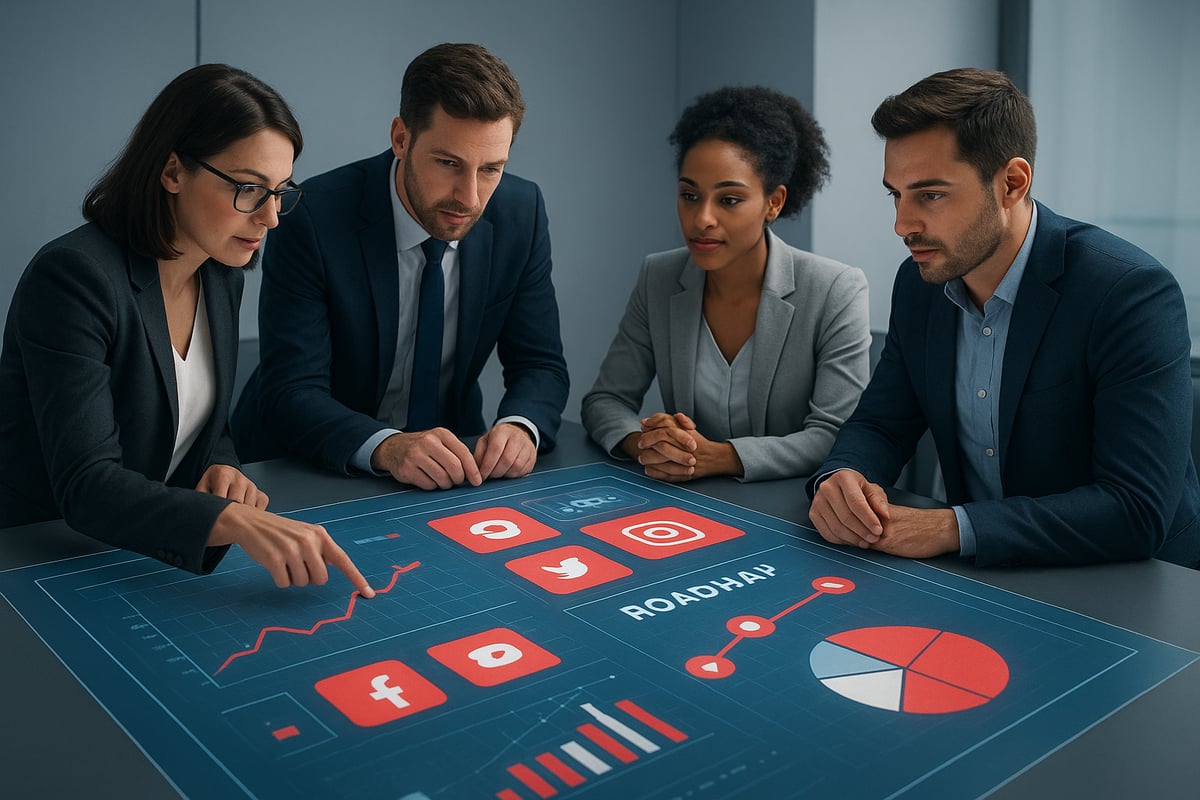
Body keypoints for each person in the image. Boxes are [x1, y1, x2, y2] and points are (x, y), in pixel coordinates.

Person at [0, 64, 374, 596]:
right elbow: (87, 485)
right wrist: (233, 522)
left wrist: (221, 464)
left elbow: (202, 420)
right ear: (173, 171)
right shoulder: (73, 277)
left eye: (280, 191)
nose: (270, 218)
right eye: (248, 189)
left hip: (134, 554)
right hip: (37, 557)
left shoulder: (221, 272)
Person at [807, 68, 1200, 568]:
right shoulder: (919, 284)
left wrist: (953, 527)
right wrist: (842, 477)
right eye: (896, 194)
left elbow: (1136, 509)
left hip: (1139, 587)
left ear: (1012, 183)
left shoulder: (1129, 293)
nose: (902, 224)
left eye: (930, 195)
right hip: (990, 575)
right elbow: (883, 423)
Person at [231, 43, 569, 491]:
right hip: (304, 466)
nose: (469, 197)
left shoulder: (519, 213)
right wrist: (388, 446)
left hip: (451, 466)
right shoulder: (312, 217)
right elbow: (291, 392)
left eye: (491, 169)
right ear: (401, 138)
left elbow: (540, 363)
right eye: (448, 163)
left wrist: (520, 426)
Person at [581, 86, 871, 483]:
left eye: (729, 200)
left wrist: (720, 457)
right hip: (684, 505)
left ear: (774, 202)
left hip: (790, 513)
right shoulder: (659, 277)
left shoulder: (835, 289)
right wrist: (648, 445)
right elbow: (606, 400)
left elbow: (835, 434)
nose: (702, 219)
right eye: (689, 195)